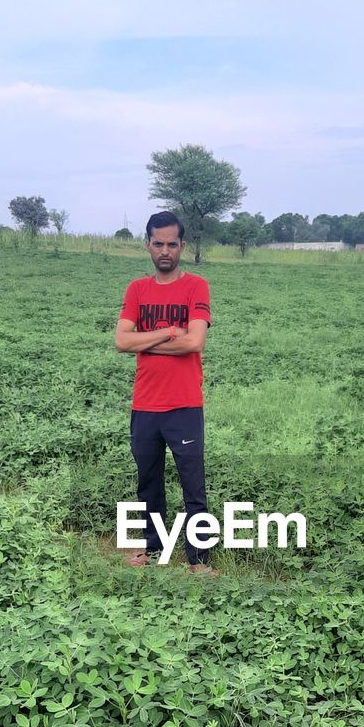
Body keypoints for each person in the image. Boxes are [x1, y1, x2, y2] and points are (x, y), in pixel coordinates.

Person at [114, 210, 215, 574]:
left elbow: (195, 341)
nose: (165, 251)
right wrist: (169, 332)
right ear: (148, 246)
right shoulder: (137, 289)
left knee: (193, 487)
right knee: (148, 483)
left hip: (184, 404)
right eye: (158, 244)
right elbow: (122, 341)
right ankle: (153, 549)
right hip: (145, 404)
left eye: (172, 244)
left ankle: (197, 561)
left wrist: (146, 341)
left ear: (182, 246)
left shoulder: (195, 286)